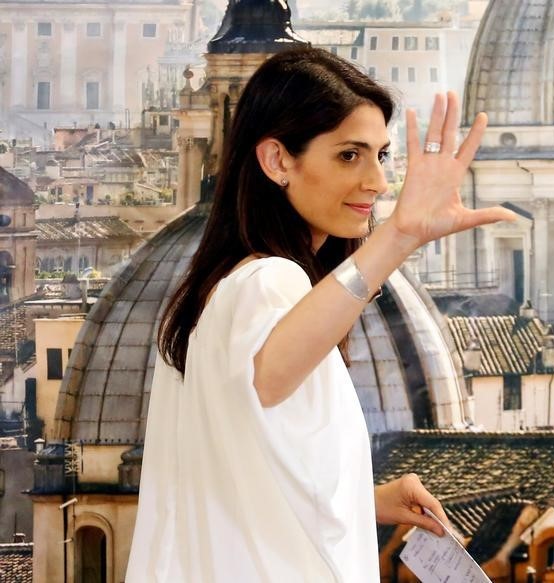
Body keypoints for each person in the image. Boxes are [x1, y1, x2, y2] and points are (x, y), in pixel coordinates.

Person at [125, 47, 515, 582]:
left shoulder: (214, 288)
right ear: (277, 160)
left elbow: (239, 477)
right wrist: (400, 234)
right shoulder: (271, 280)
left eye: (381, 155)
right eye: (349, 155)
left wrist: (370, 497)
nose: (376, 182)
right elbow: (272, 376)